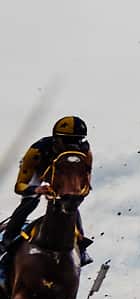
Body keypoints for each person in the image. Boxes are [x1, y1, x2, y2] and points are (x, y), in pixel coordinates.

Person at [1, 116, 94, 287]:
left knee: (70, 203)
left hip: (64, 174)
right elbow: (19, 186)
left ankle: (81, 246)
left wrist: (75, 193)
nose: (72, 146)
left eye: (77, 141)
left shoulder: (85, 153)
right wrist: (37, 189)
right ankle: (7, 239)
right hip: (40, 171)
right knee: (31, 201)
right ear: (56, 139)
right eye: (67, 141)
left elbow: (87, 185)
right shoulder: (37, 151)